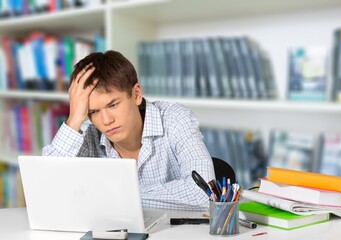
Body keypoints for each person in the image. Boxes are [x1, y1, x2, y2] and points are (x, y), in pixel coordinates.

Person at [42, 50, 215, 211]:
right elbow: (46, 193)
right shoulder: (87, 135)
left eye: (113, 105)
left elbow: (204, 194)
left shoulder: (175, 119)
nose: (106, 121)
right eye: (93, 112)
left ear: (136, 94)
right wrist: (74, 119)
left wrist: (116, 197)